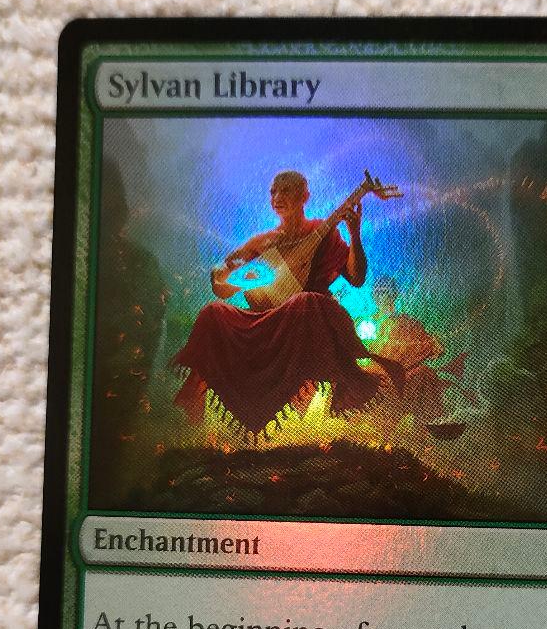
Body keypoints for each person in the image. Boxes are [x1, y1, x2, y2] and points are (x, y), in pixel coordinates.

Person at [171, 171, 403, 433]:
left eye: (286, 190)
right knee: (213, 312)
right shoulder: (262, 242)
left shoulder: (323, 233)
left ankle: (318, 415)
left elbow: (357, 278)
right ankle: (191, 420)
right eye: (273, 192)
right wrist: (237, 278)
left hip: (305, 318)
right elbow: (221, 285)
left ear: (304, 196)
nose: (278, 197)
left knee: (305, 301)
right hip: (267, 318)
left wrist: (354, 234)